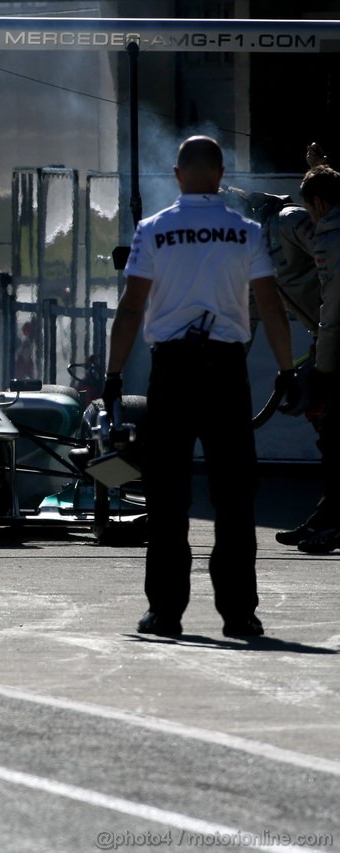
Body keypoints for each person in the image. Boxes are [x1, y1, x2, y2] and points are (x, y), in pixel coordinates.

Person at [104, 135, 297, 639]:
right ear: (219, 174)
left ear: (177, 174)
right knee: (235, 496)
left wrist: (113, 374)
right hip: (225, 372)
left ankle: (165, 612)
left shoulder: (153, 230)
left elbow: (130, 307)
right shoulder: (246, 231)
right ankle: (240, 615)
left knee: (168, 494)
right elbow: (272, 308)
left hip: (173, 370)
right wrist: (287, 369)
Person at [280, 165, 340, 553]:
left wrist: (322, 368)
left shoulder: (333, 239)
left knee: (335, 438)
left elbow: (334, 307)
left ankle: (330, 522)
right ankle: (326, 515)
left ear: (317, 203)